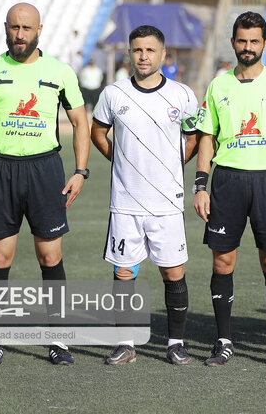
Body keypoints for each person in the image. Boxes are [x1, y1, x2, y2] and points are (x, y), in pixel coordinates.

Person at [0, 2, 90, 365]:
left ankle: (58, 340)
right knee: (0, 258)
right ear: (6, 28)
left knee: (50, 256)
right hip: (1, 170)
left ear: (39, 30)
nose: (20, 35)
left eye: (27, 28)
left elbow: (80, 122)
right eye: (14, 28)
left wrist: (80, 171)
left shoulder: (59, 72)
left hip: (45, 169)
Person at [193, 12, 266, 368]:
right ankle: (223, 340)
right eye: (242, 41)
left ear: (265, 44)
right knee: (223, 259)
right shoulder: (217, 86)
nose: (247, 47)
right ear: (233, 42)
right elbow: (206, 138)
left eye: (254, 41)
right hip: (226, 179)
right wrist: (201, 184)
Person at [91, 25, 199, 366]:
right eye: (138, 50)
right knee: (125, 273)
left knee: (173, 273)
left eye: (151, 50)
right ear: (130, 53)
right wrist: (117, 158)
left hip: (167, 203)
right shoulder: (113, 93)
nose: (144, 56)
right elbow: (98, 131)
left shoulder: (182, 95)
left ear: (163, 55)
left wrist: (173, 164)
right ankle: (125, 342)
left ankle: (175, 343)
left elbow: (194, 136)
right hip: (126, 203)